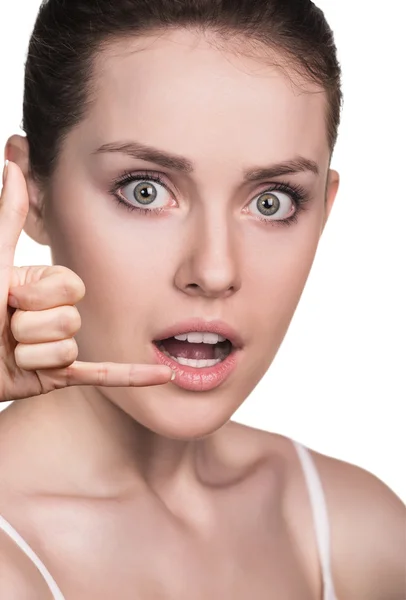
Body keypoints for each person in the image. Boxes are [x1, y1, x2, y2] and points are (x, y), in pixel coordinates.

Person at [0, 0, 404, 598]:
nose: (214, 271)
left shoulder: (361, 533)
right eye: (144, 190)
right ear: (30, 193)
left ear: (324, 208)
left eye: (273, 201)